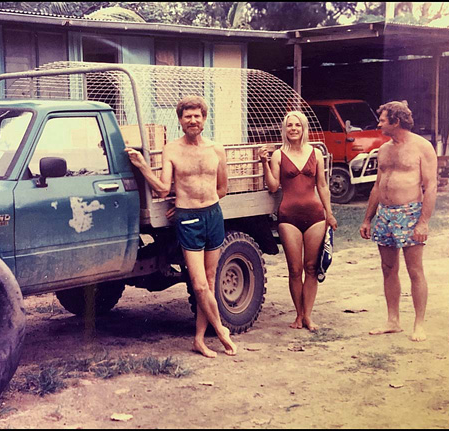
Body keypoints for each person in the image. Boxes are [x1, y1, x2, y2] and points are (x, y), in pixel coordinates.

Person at [125, 95, 237, 358]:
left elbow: (223, 188)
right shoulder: (172, 149)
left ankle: (199, 339)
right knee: (198, 285)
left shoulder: (216, 149)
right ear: (180, 120)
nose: (193, 120)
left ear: (204, 119)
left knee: (209, 281)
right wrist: (142, 166)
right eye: (187, 116)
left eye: (197, 115)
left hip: (213, 215)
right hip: (187, 220)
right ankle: (222, 331)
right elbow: (164, 188)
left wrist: (202, 203)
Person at [359, 101, 437, 342]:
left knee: (415, 270)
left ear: (396, 121)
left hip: (411, 213)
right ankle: (393, 321)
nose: (379, 123)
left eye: (383, 119)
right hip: (385, 214)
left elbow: (430, 186)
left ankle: (419, 324)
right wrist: (367, 219)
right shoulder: (383, 149)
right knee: (388, 269)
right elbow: (376, 185)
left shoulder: (422, 147)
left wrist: (423, 222)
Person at [258, 111, 337, 331]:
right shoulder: (278, 155)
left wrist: (329, 213)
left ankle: (309, 316)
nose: (293, 128)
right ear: (284, 130)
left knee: (311, 267)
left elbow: (322, 186)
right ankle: (298, 314)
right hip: (288, 216)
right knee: (295, 269)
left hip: (315, 216)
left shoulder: (316, 153)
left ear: (304, 128)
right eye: (289, 125)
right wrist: (264, 162)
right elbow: (273, 186)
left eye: (297, 125)